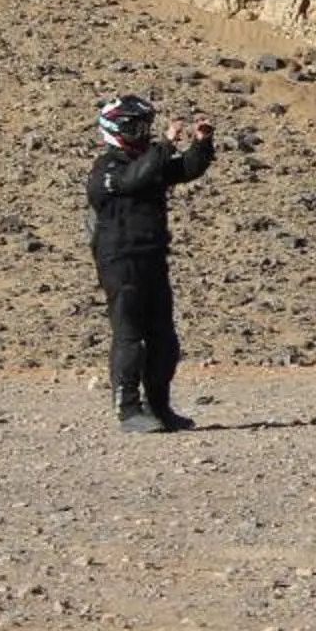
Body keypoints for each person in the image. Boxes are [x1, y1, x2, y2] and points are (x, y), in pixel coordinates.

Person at [86, 94, 214, 434]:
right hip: (120, 260)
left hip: (152, 256)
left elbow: (183, 170)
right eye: (138, 126)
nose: (144, 132)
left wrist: (202, 144)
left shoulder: (148, 161)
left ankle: (159, 407)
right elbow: (135, 179)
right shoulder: (107, 169)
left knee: (163, 338)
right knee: (130, 337)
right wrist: (165, 145)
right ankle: (128, 411)